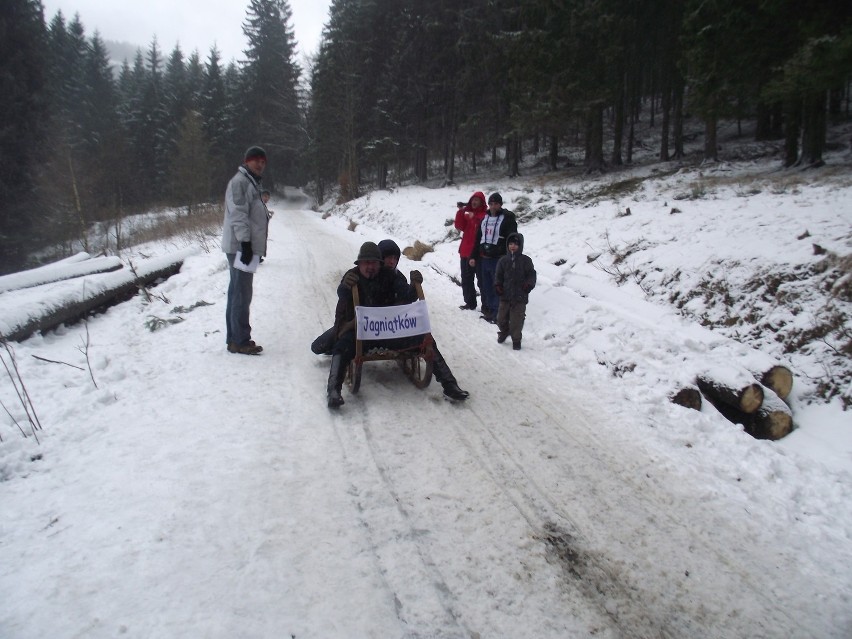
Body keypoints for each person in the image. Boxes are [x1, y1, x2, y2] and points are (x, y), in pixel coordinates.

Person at [326, 241, 469, 408]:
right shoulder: (352, 275)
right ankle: (333, 390)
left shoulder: (390, 275)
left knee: (425, 339)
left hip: (390, 331)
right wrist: (344, 286)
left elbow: (407, 296)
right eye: (366, 263)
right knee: (342, 346)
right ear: (360, 264)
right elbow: (342, 296)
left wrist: (415, 286)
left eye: (373, 263)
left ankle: (450, 385)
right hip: (363, 333)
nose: (370, 267)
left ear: (379, 264)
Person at [222, 146, 268, 355]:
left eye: (263, 161)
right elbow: (238, 214)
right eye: (256, 160)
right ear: (246, 161)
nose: (260, 164)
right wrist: (246, 243)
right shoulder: (239, 183)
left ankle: (235, 338)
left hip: (243, 245)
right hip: (240, 247)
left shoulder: (251, 183)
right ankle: (239, 340)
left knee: (238, 292)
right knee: (241, 293)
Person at [469, 192, 517, 323]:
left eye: (496, 204)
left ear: (500, 205)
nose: (493, 206)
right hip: (484, 258)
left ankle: (499, 314)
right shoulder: (485, 219)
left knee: (498, 287)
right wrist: (473, 256)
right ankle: (490, 311)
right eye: (491, 204)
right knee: (487, 286)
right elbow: (478, 239)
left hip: (499, 258)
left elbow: (513, 239)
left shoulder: (507, 219)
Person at [495, 232, 536, 350]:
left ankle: (516, 339)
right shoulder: (503, 260)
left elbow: (531, 275)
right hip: (505, 295)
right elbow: (498, 275)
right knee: (500, 318)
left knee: (516, 321)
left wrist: (528, 285)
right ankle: (504, 331)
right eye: (511, 244)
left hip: (520, 296)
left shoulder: (526, 261)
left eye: (516, 244)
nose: (513, 246)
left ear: (521, 246)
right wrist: (498, 285)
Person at [454, 191, 487, 310]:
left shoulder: (484, 215)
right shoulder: (469, 214)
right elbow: (459, 226)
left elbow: (480, 225)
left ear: (481, 202)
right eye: (473, 200)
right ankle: (470, 302)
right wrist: (461, 211)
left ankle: (486, 305)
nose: (474, 202)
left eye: (477, 200)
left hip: (478, 253)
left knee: (481, 281)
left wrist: (473, 218)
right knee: (466, 279)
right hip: (465, 251)